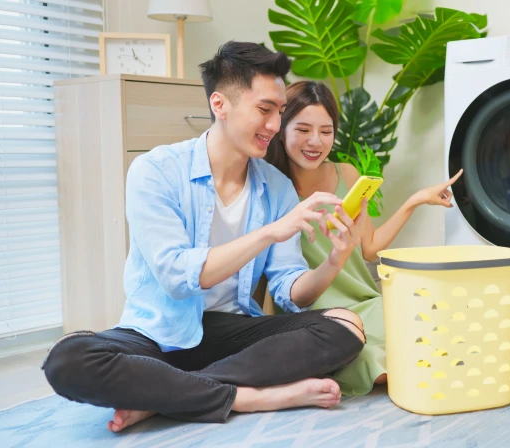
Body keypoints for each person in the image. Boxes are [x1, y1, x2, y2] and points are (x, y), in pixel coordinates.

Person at [41, 42, 369, 432]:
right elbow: (177, 277)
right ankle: (248, 397)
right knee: (68, 359)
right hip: (158, 333)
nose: (274, 125)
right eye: (264, 110)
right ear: (220, 104)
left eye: (280, 112)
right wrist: (268, 233)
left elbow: (289, 290)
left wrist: (334, 260)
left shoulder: (276, 187)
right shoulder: (155, 170)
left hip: (231, 332)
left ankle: (164, 396)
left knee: (345, 325)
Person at [264, 81, 462, 396]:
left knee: (442, 335)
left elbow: (369, 249)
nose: (315, 141)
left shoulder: (346, 174)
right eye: (303, 129)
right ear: (280, 129)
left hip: (366, 302)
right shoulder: (269, 188)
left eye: (326, 131)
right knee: (384, 364)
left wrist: (414, 201)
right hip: (316, 313)